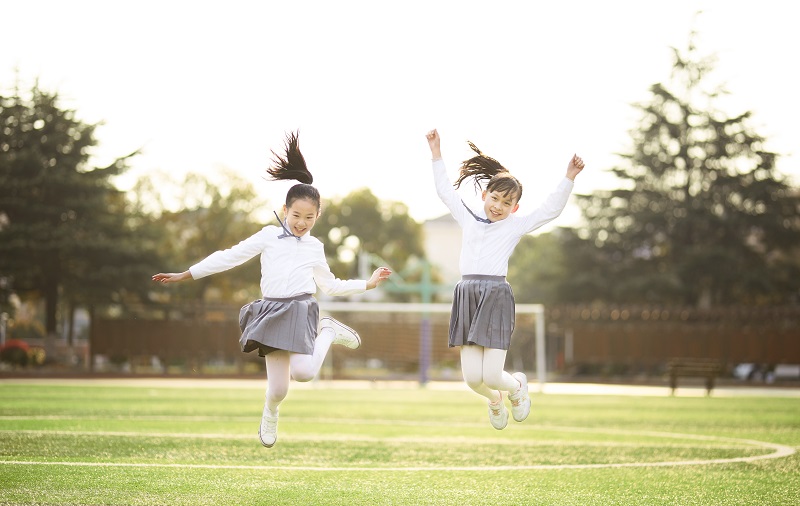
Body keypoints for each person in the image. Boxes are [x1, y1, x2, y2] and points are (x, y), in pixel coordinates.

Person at [153, 131, 392, 448]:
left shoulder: (315, 247)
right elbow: (230, 257)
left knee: (305, 373)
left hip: (302, 309)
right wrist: (187, 273)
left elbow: (330, 285)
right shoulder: (267, 236)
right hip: (272, 311)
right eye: (296, 215)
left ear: (317, 216)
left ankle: (329, 331)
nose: (302, 223)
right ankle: (270, 412)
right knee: (279, 389)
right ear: (284, 209)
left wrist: (368, 283)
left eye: (309, 217)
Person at [425, 128, 584, 430]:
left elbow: (551, 210)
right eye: (494, 198)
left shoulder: (514, 227)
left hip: (496, 296)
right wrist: (436, 154)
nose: (498, 206)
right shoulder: (468, 217)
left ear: (515, 208)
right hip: (467, 295)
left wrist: (569, 178)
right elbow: (446, 190)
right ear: (484, 195)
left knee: (493, 375)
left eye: (506, 203)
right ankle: (495, 401)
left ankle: (517, 388)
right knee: (473, 380)